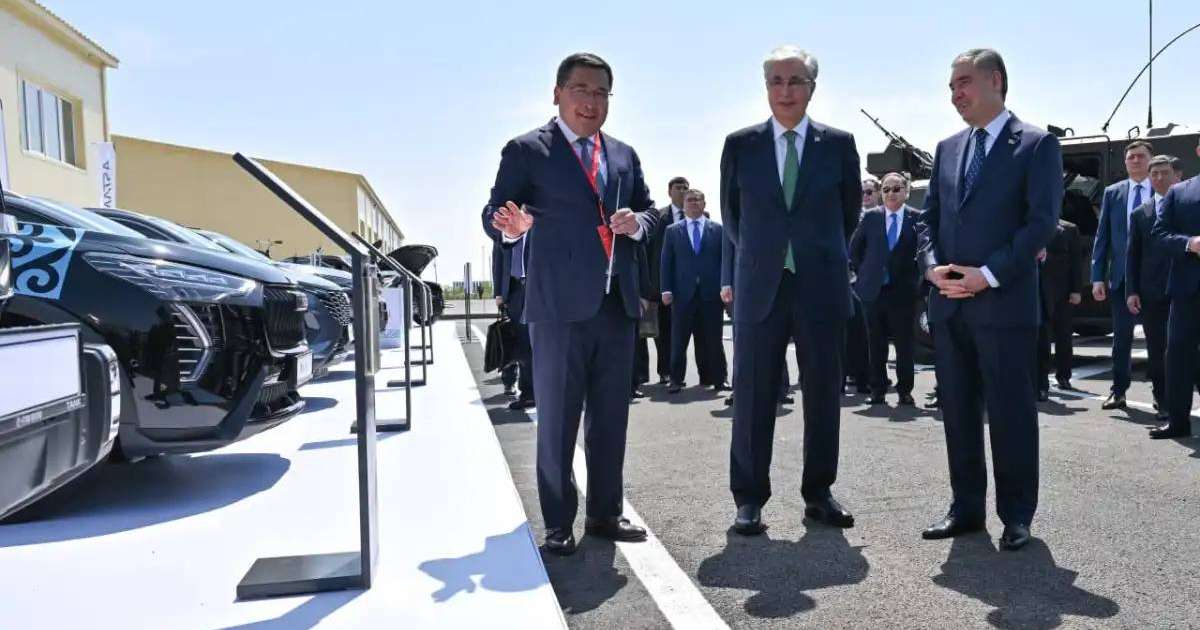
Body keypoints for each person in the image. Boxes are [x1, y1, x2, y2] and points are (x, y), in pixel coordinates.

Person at [482, 52, 657, 555]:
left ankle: (605, 513)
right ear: (557, 93)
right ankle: (558, 522)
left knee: (611, 419)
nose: (591, 101)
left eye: (601, 92)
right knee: (557, 421)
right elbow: (494, 211)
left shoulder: (623, 155)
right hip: (557, 308)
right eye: (581, 90)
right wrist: (511, 228)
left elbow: (649, 211)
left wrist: (638, 224)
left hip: (616, 306)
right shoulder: (527, 150)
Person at [916, 48, 1062, 551]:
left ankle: (1017, 514)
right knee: (957, 412)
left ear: (995, 80)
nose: (954, 94)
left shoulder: (1036, 145)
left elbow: (1040, 223)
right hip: (950, 302)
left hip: (1003, 305)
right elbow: (928, 220)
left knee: (1010, 413)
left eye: (963, 83)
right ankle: (966, 509)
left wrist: (988, 275)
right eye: (951, 86)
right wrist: (931, 267)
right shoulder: (947, 148)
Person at [721, 45, 861, 535]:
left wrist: (813, 254)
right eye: (776, 81)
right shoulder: (740, 145)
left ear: (812, 88)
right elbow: (733, 219)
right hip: (760, 287)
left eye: (796, 80)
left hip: (821, 286)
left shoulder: (838, 145)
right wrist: (766, 258)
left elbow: (848, 216)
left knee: (823, 396)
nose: (786, 90)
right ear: (766, 88)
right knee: (753, 396)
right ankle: (748, 499)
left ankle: (818, 493)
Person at [1090, 140, 1155, 410]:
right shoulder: (1113, 193)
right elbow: (1102, 236)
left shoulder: (1164, 190)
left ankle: (1161, 395)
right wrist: (1097, 276)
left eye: (1141, 156)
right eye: (1131, 157)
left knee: (1158, 339)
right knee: (1121, 339)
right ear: (1125, 162)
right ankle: (1118, 392)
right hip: (1120, 278)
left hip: (1155, 278)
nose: (1135, 161)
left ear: (1151, 160)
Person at [850, 172, 921, 406]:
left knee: (904, 345)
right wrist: (864, 274)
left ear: (906, 191)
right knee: (876, 343)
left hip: (903, 294)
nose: (891, 193)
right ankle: (877, 390)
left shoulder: (916, 218)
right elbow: (855, 250)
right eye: (886, 189)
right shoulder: (871, 217)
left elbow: (924, 253)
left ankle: (905, 390)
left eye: (896, 189)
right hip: (874, 292)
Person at [1149, 139, 1200, 440]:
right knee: (1178, 355)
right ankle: (1178, 421)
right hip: (1187, 290)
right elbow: (1159, 235)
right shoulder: (1179, 192)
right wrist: (1189, 243)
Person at [1128, 155, 1185, 420]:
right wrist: (1132, 291)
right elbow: (1133, 255)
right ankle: (1162, 400)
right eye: (1155, 174)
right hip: (1153, 293)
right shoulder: (1141, 213)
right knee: (1157, 350)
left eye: (1165, 173)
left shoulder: (1190, 206)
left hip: (1187, 290)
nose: (1160, 178)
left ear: (1177, 175)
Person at [660, 189, 728, 393]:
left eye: (698, 200)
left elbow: (725, 261)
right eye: (689, 200)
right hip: (682, 295)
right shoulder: (672, 231)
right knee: (679, 341)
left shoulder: (718, 230)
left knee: (714, 340)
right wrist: (665, 289)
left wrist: (726, 286)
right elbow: (666, 262)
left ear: (704, 204)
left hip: (711, 294)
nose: (694, 203)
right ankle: (675, 380)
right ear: (683, 205)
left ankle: (719, 379)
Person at [643, 177, 691, 386]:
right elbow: (648, 251)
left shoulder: (699, 216)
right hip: (662, 285)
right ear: (669, 192)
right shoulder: (658, 217)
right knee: (663, 332)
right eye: (678, 187)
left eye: (686, 188)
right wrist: (648, 285)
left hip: (689, 286)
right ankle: (666, 372)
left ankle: (703, 374)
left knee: (686, 332)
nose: (683, 191)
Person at [1036, 219, 1083, 400]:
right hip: (1040, 291)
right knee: (1042, 338)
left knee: (1064, 335)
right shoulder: (1032, 225)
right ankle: (1042, 383)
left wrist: (1076, 290)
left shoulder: (1070, 229)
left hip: (1063, 292)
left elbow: (1076, 262)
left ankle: (1064, 376)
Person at [491, 241, 520, 398]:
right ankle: (509, 382)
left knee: (532, 340)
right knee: (508, 338)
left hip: (533, 288)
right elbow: (498, 262)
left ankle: (530, 388)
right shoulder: (502, 233)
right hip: (511, 290)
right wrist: (498, 293)